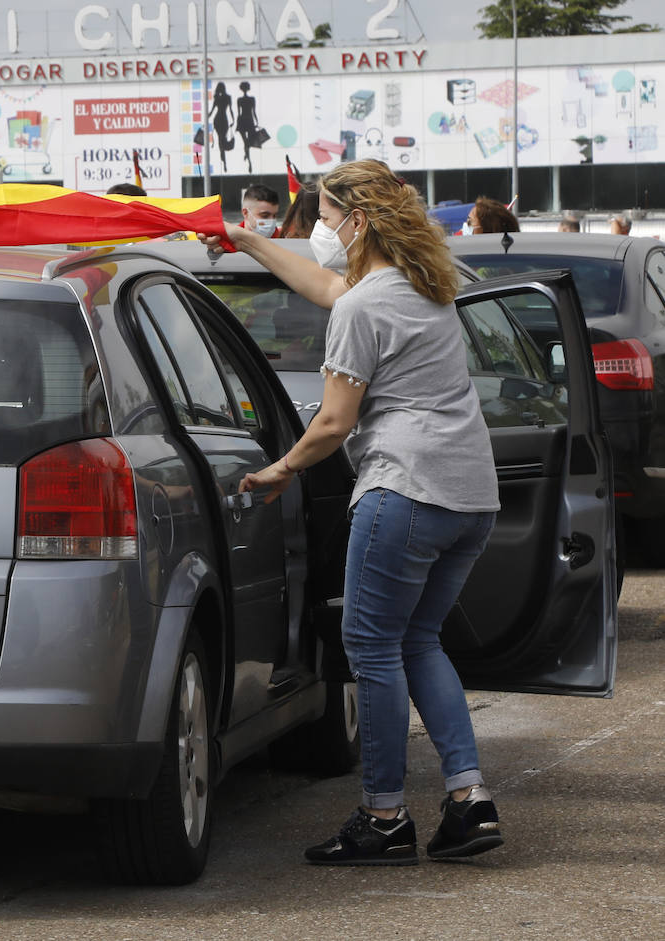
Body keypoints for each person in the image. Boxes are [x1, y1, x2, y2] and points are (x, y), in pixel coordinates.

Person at [203, 159, 503, 866]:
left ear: (358, 221)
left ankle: (384, 814)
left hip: (403, 490)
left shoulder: (363, 307)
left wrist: (279, 469)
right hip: (470, 496)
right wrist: (246, 241)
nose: (319, 232)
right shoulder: (423, 286)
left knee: (371, 647)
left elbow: (335, 422)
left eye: (327, 219)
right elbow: (327, 286)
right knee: (418, 640)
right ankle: (468, 799)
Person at [236, 81, 264, 173]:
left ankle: (248, 158)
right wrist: (256, 122)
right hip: (249, 121)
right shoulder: (251, 99)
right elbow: (253, 112)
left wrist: (237, 125)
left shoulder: (240, 100)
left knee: (246, 143)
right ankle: (249, 162)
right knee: (247, 143)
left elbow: (239, 114)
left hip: (243, 121)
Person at [208, 83, 234, 173]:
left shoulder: (218, 98)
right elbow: (230, 110)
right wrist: (233, 120)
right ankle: (224, 162)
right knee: (222, 139)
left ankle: (223, 160)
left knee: (221, 140)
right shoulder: (227, 98)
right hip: (223, 119)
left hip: (218, 119)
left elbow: (211, 111)